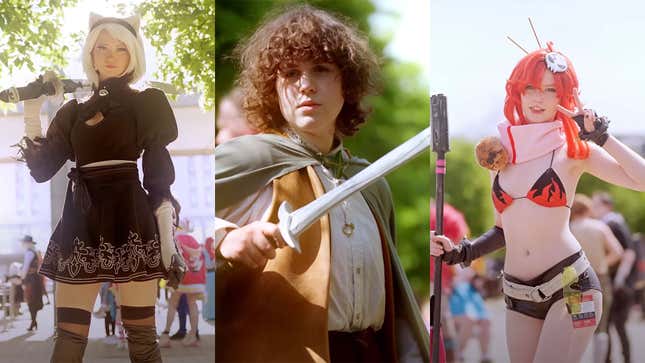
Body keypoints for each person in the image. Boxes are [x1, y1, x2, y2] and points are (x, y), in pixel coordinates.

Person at [215, 5, 428, 362]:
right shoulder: (248, 159)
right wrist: (223, 236)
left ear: (347, 83)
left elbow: (395, 295)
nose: (306, 85)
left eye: (321, 69)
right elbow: (176, 212)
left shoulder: (371, 183)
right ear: (273, 87)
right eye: (291, 73)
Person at [431, 42, 645, 363]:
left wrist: (602, 136)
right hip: (518, 294)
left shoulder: (572, 148)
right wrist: (462, 251)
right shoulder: (499, 154)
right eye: (530, 88)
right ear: (517, 91)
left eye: (549, 89)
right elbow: (504, 230)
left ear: (563, 96)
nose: (538, 98)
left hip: (574, 286)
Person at [16, 13, 185, 362]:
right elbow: (42, 169)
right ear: (90, 54)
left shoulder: (147, 100)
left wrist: (168, 240)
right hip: (81, 218)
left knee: (142, 340)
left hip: (131, 217)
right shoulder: (71, 110)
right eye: (102, 47)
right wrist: (33, 110)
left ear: (134, 53)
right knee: (68, 339)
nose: (111, 55)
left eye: (121, 48)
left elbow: (157, 175)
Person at [569, 194, 623, 363]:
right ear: (588, 209)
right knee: (601, 327)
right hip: (599, 278)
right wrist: (602, 263)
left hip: (574, 280)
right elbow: (617, 252)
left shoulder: (567, 229)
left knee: (579, 326)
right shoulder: (600, 227)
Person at [592, 192, 639, 363]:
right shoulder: (615, 223)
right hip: (620, 283)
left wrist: (619, 280)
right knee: (613, 325)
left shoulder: (612, 224)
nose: (593, 209)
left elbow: (628, 254)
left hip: (618, 285)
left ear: (607, 206)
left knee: (612, 325)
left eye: (596, 205)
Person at [159, 233, 205, 347]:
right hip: (196, 274)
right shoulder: (191, 238)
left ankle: (165, 335)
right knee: (192, 303)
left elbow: (172, 258)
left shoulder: (174, 239)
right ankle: (193, 336)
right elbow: (199, 254)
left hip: (181, 275)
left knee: (172, 303)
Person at [19, 235, 45, 332]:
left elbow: (25, 267)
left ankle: (33, 322)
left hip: (30, 279)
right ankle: (33, 321)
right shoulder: (34, 252)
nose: (23, 244)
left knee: (31, 301)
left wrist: (22, 278)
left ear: (27, 243)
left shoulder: (29, 253)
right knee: (33, 301)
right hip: (36, 278)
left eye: (24, 242)